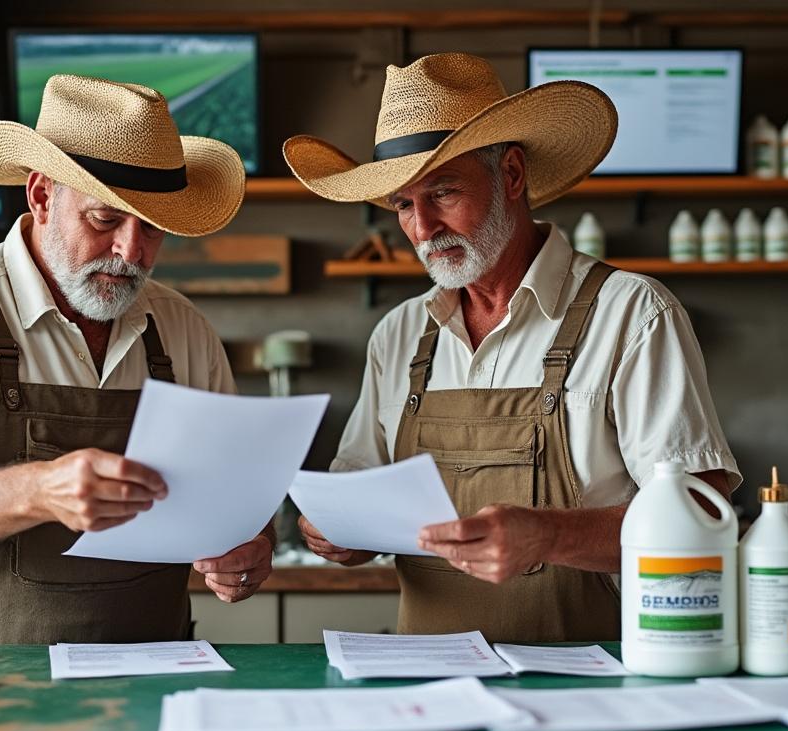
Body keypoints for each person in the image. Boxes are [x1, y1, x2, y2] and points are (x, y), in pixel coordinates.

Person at [285, 53, 740, 642]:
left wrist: (549, 536)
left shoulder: (631, 312)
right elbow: (358, 500)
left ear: (514, 175)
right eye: (403, 204)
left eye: (443, 192)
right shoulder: (398, 335)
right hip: (427, 684)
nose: (422, 229)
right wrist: (336, 535)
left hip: (592, 684)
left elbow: (703, 516)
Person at [0, 75, 273, 644]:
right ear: (42, 195)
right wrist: (38, 490)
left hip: (150, 681)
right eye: (105, 220)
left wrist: (249, 546)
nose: (131, 252)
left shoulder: (181, 330)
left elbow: (239, 496)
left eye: (152, 229)